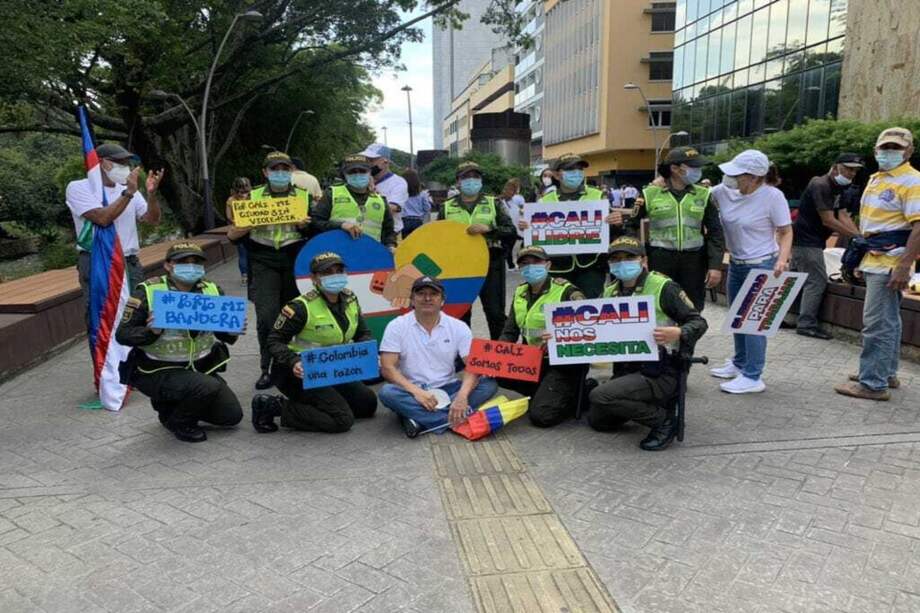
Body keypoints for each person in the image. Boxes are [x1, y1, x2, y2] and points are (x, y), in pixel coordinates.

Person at [588, 236, 708, 450]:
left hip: (661, 370)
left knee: (600, 396)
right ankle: (642, 403)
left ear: (643, 260)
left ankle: (664, 420)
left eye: (629, 257)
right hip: (627, 368)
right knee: (599, 421)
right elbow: (595, 328)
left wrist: (679, 332)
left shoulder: (663, 286)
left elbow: (698, 322)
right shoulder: (610, 291)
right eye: (616, 259)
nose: (622, 263)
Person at [115, 243, 243, 443]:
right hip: (159, 370)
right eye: (183, 262)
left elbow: (225, 335)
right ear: (168, 265)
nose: (191, 267)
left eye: (196, 262)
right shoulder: (148, 292)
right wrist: (151, 331)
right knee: (206, 387)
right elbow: (123, 335)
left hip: (200, 368)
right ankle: (178, 421)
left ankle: (177, 402)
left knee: (231, 416)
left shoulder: (212, 290)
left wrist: (232, 331)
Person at [835, 127, 920, 401]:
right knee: (889, 321)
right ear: (875, 150)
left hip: (891, 260)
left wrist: (905, 265)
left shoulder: (911, 181)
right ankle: (885, 372)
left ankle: (873, 383)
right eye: (884, 148)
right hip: (875, 256)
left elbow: (918, 226)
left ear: (909, 151)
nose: (888, 153)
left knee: (877, 323)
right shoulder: (877, 178)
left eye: (895, 148)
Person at [252, 252, 378, 433]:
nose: (334, 276)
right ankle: (274, 406)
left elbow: (363, 333)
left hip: (333, 370)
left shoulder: (350, 299)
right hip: (299, 373)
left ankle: (320, 403)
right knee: (342, 420)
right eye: (327, 273)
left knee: (367, 405)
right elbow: (274, 341)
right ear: (314, 279)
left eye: (339, 270)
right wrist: (293, 361)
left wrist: (367, 353)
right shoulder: (300, 308)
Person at [708, 150, 792, 394]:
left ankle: (753, 376)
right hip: (736, 263)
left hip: (763, 264)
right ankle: (740, 362)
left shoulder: (772, 196)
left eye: (737, 174)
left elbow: (786, 231)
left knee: (753, 322)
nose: (730, 178)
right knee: (737, 317)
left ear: (754, 177)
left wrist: (782, 260)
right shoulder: (723, 193)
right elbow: (699, 196)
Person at [66, 143, 164, 349]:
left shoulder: (130, 190)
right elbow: (102, 219)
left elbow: (152, 219)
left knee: (135, 312)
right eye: (119, 162)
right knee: (102, 316)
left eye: (127, 162)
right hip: (98, 262)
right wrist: (128, 193)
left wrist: (152, 194)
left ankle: (133, 367)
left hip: (129, 262)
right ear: (102, 163)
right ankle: (107, 371)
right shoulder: (79, 187)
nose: (126, 167)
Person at [227, 151, 311, 390]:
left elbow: (315, 228)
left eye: (285, 168)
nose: (281, 173)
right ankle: (267, 368)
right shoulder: (251, 198)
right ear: (265, 172)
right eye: (275, 169)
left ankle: (292, 365)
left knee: (294, 316)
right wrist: (248, 224)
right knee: (266, 317)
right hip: (263, 260)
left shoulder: (303, 197)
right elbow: (232, 235)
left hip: (294, 259)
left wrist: (305, 226)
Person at [378, 276, 499, 438]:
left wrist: (462, 397)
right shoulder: (396, 326)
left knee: (489, 384)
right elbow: (387, 368)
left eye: (433, 294)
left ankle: (420, 418)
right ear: (412, 299)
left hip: (450, 388)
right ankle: (453, 419)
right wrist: (417, 393)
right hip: (413, 390)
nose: (427, 298)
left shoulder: (458, 327)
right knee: (387, 392)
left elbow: (472, 365)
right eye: (421, 294)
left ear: (442, 300)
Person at [498, 246, 587, 427]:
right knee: (496, 372)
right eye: (525, 263)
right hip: (533, 360)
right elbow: (510, 331)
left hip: (562, 363)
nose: (530, 267)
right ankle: (545, 392)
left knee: (542, 417)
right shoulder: (520, 292)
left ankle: (579, 391)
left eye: (536, 262)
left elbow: (587, 330)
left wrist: (560, 335)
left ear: (548, 265)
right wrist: (495, 356)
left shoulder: (567, 292)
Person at [637, 147, 725, 311]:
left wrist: (715, 265)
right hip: (660, 260)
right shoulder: (649, 194)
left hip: (694, 261)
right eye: (693, 167)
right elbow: (631, 227)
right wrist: (639, 256)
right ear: (675, 169)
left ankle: (688, 336)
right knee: (660, 305)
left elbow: (716, 233)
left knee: (692, 307)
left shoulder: (704, 195)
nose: (698, 171)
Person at [522, 154, 620, 298]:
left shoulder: (598, 196)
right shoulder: (544, 202)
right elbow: (535, 237)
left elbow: (610, 230)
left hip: (590, 266)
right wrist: (527, 228)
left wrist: (615, 222)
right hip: (557, 267)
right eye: (570, 169)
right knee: (560, 310)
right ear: (556, 174)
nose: (576, 173)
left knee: (589, 309)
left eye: (579, 168)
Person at [791, 153, 864, 339]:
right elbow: (828, 220)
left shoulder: (839, 188)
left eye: (854, 170)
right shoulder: (820, 184)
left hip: (813, 240)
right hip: (806, 240)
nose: (851, 173)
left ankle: (791, 318)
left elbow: (843, 216)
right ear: (835, 166)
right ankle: (806, 324)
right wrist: (855, 237)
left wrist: (859, 236)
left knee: (797, 279)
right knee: (816, 281)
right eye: (848, 168)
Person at [440, 161, 516, 339]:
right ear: (458, 182)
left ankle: (499, 355)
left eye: (476, 177)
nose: (471, 181)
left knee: (495, 312)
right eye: (466, 177)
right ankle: (462, 356)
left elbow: (511, 231)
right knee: (460, 313)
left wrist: (490, 229)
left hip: (491, 263)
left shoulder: (493, 203)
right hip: (458, 267)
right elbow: (439, 237)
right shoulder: (447, 207)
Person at [311, 154, 397, 249]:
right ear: (345, 174)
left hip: (370, 255)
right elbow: (316, 222)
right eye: (352, 172)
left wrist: (391, 246)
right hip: (336, 255)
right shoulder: (332, 194)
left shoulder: (381, 201)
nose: (357, 174)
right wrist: (341, 225)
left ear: (369, 173)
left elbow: (389, 232)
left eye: (362, 171)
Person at [359, 143, 409, 236]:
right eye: (366, 160)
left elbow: (392, 208)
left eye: (371, 160)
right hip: (365, 233)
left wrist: (372, 190)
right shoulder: (360, 180)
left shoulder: (398, 183)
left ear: (385, 161)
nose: (367, 164)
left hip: (389, 234)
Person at [225, 177, 252, 285]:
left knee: (242, 254)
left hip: (239, 230)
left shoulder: (231, 200)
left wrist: (237, 221)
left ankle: (244, 276)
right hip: (253, 228)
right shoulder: (253, 197)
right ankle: (253, 274)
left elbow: (228, 216)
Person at [499, 178, 526, 269]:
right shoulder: (498, 201)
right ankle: (510, 265)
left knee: (510, 247)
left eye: (514, 190)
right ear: (505, 189)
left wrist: (522, 212)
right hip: (504, 229)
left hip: (515, 228)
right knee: (506, 248)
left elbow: (521, 210)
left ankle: (512, 264)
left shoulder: (515, 201)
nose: (512, 193)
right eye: (510, 190)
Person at [401, 169, 432, 238]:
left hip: (404, 221)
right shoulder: (422, 194)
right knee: (416, 243)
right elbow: (427, 208)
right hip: (417, 221)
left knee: (406, 243)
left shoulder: (402, 193)